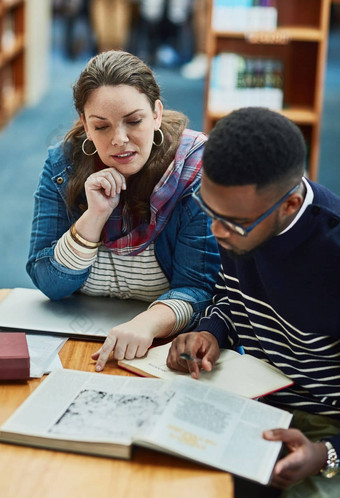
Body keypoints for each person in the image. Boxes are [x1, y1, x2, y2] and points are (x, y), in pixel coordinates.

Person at [166, 107, 340, 497]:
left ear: (290, 206)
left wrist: (326, 454)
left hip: (326, 425)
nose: (215, 230)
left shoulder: (332, 258)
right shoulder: (240, 219)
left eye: (231, 222)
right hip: (258, 400)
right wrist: (211, 330)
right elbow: (232, 293)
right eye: (208, 208)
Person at [26, 50, 219, 370]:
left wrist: (148, 323)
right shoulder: (63, 164)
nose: (120, 139)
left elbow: (199, 290)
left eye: (134, 121)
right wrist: (94, 217)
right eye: (101, 127)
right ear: (86, 126)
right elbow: (49, 282)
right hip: (75, 338)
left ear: (157, 113)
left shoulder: (194, 171)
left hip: (157, 344)